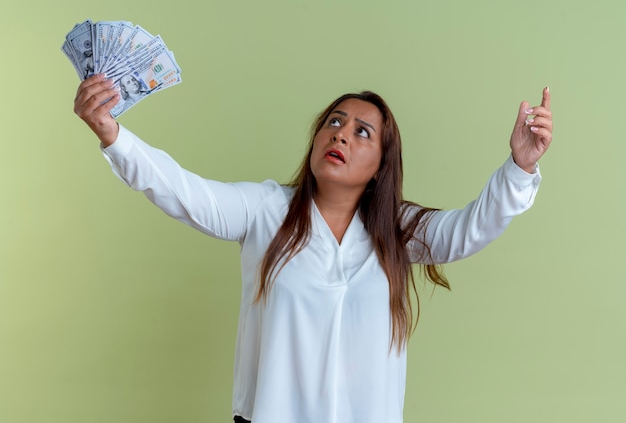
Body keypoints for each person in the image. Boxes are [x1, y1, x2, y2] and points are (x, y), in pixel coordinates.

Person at [74, 74, 553, 423]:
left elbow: (470, 229)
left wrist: (520, 166)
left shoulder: (397, 229)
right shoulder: (265, 210)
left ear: (381, 164)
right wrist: (113, 134)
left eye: (361, 131)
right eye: (333, 122)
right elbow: (183, 191)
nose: (340, 132)